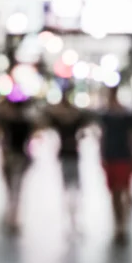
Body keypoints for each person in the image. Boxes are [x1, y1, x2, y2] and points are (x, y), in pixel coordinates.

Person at [44, 87, 90, 234]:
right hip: (66, 155)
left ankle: (74, 218)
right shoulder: (64, 118)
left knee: (73, 188)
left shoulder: (72, 118)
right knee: (69, 188)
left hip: (71, 155)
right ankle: (71, 219)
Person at [98, 86, 132, 243]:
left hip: (124, 156)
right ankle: (118, 224)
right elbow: (102, 135)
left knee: (123, 190)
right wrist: (102, 154)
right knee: (115, 193)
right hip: (111, 156)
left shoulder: (126, 115)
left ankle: (123, 225)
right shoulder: (105, 115)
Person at [0, 97, 34, 233]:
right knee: (16, 188)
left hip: (14, 156)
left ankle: (12, 215)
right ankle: (13, 214)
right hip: (17, 156)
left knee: (13, 187)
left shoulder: (10, 122)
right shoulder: (23, 122)